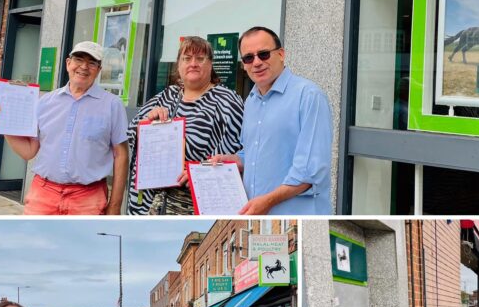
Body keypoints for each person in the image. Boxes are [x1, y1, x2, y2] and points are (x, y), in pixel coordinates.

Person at [0, 41, 128, 215]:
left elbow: (121, 155)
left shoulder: (112, 105)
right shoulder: (45, 102)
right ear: (68, 63)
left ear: (99, 70)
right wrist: (4, 122)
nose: (84, 67)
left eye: (92, 63)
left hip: (88, 197)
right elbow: (29, 151)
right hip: (43, 194)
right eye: (78, 60)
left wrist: (115, 206)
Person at [212, 26, 332, 215]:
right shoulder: (251, 101)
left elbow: (309, 172)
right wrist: (233, 161)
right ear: (243, 64)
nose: (257, 62)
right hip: (257, 216)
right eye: (249, 58)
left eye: (264, 54)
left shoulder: (309, 96)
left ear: (281, 54)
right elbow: (251, 153)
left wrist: (267, 201)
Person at [126, 36, 244, 215]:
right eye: (187, 58)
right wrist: (149, 122)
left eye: (200, 58)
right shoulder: (168, 95)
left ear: (210, 64)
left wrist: (199, 172)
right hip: (153, 203)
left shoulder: (226, 100)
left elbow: (234, 157)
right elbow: (133, 133)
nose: (193, 63)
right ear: (179, 66)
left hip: (195, 202)